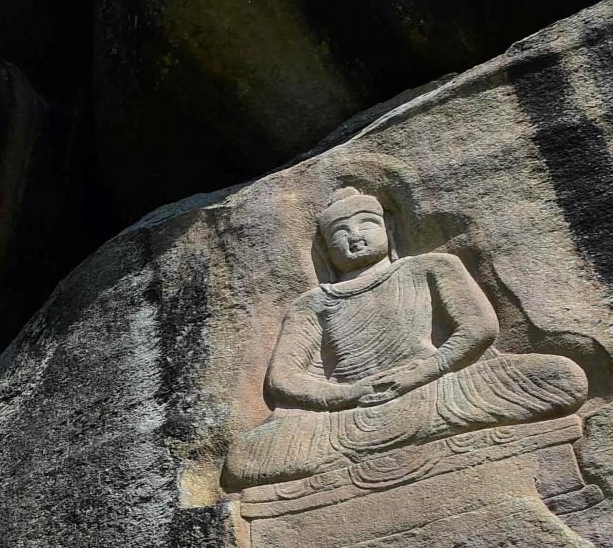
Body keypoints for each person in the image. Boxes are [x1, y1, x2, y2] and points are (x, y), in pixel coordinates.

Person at [223, 189, 590, 491]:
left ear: (390, 228)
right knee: (246, 458)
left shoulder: (431, 266)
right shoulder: (315, 302)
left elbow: (478, 329)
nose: (354, 236)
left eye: (366, 224)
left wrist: (420, 373)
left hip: (436, 387)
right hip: (352, 410)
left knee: (559, 378)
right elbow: (283, 380)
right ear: (324, 249)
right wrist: (349, 393)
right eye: (340, 232)